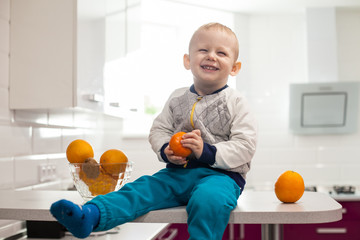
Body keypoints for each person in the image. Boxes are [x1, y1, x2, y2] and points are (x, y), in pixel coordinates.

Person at [50, 22, 257, 240]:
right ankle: (90, 216)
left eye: (221, 53)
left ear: (234, 67)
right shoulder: (177, 98)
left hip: (221, 177)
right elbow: (159, 129)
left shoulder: (237, 102)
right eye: (203, 50)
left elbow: (245, 146)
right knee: (140, 189)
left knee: (208, 199)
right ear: (188, 60)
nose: (211, 56)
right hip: (177, 174)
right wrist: (166, 149)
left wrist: (206, 151)